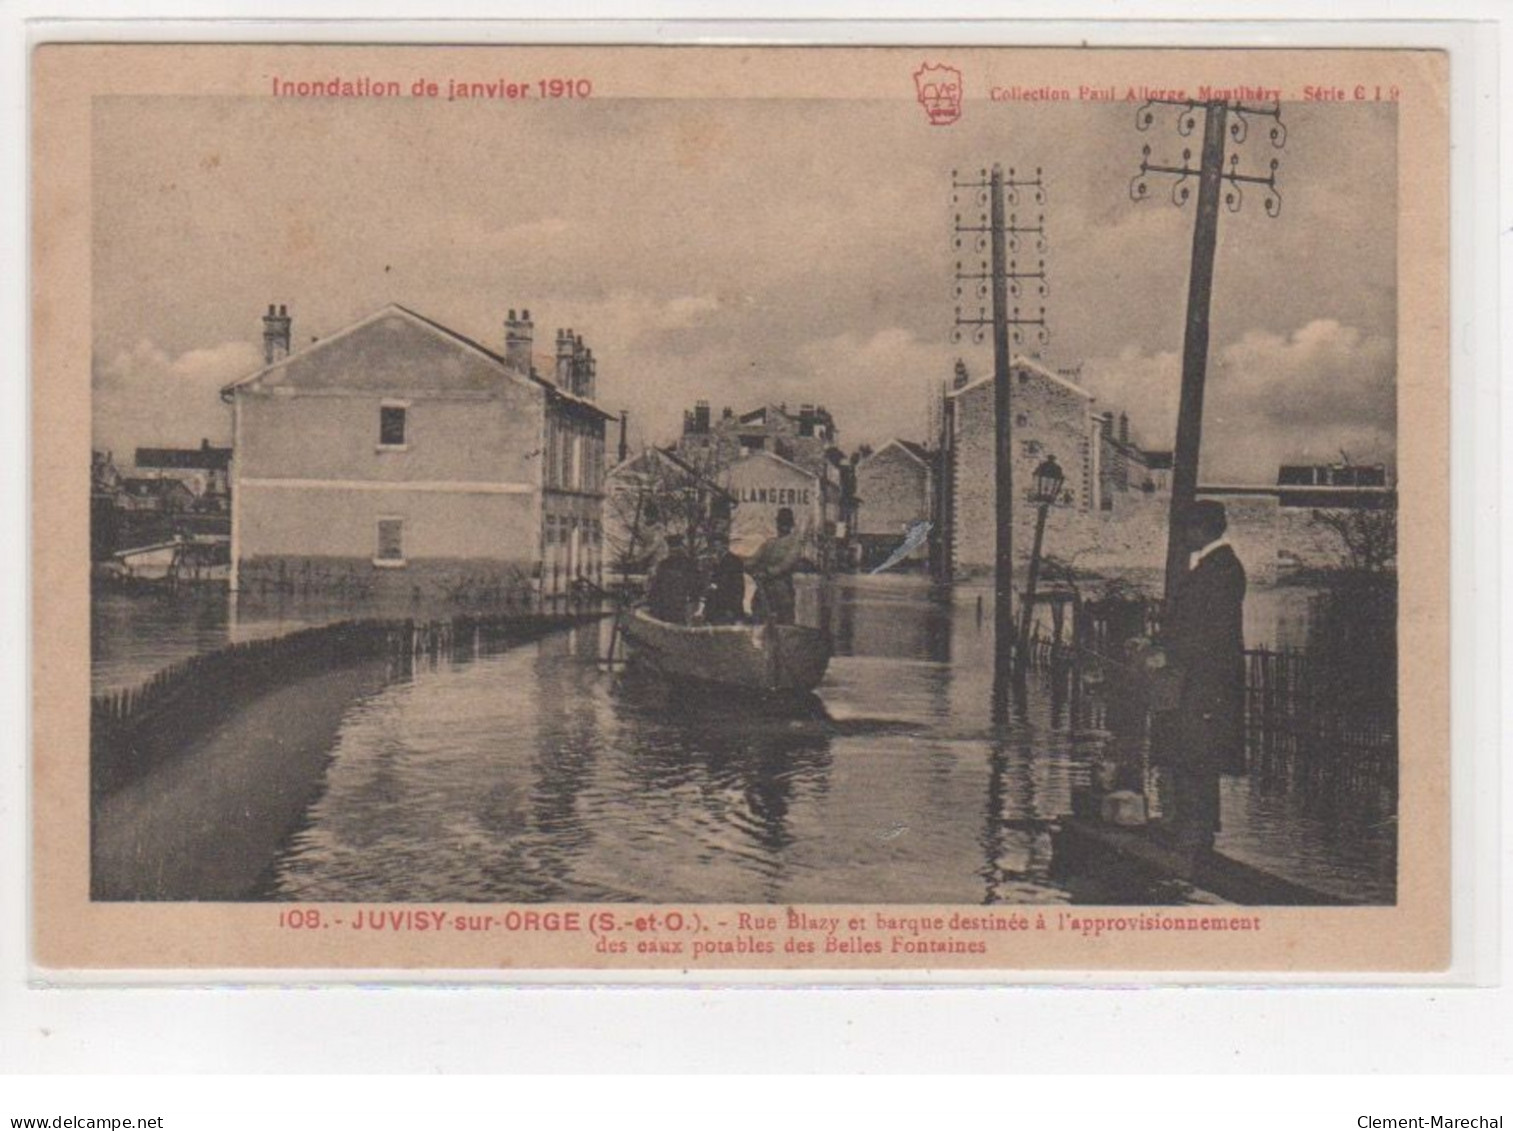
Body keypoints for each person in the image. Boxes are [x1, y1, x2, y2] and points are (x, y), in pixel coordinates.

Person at [1159, 499, 1247, 849]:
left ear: (1200, 529)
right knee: (1195, 747)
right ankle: (1195, 826)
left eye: (1186, 529)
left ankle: (1195, 829)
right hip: (1206, 673)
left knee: (1196, 748)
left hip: (1207, 675)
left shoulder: (1219, 569)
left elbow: (1206, 630)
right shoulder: (1219, 566)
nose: (1183, 537)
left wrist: (1168, 652)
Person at [746, 507, 804, 626]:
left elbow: (787, 564)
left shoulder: (794, 543)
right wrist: (741, 565)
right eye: (781, 523)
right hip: (764, 587)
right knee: (758, 617)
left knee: (784, 621)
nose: (783, 526)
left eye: (786, 523)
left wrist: (767, 572)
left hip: (782, 587)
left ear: (791, 525)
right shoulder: (770, 543)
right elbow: (754, 559)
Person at [645, 532, 700, 624]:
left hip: (681, 605)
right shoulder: (664, 564)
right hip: (664, 605)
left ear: (681, 548)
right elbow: (657, 585)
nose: (674, 551)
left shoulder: (690, 564)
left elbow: (695, 585)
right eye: (672, 549)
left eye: (676, 548)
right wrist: (653, 601)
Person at [702, 531, 747, 625]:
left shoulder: (733, 561)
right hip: (715, 609)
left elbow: (737, 588)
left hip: (727, 609)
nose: (714, 548)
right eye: (712, 546)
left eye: (716, 545)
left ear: (725, 546)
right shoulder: (716, 563)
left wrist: (733, 609)